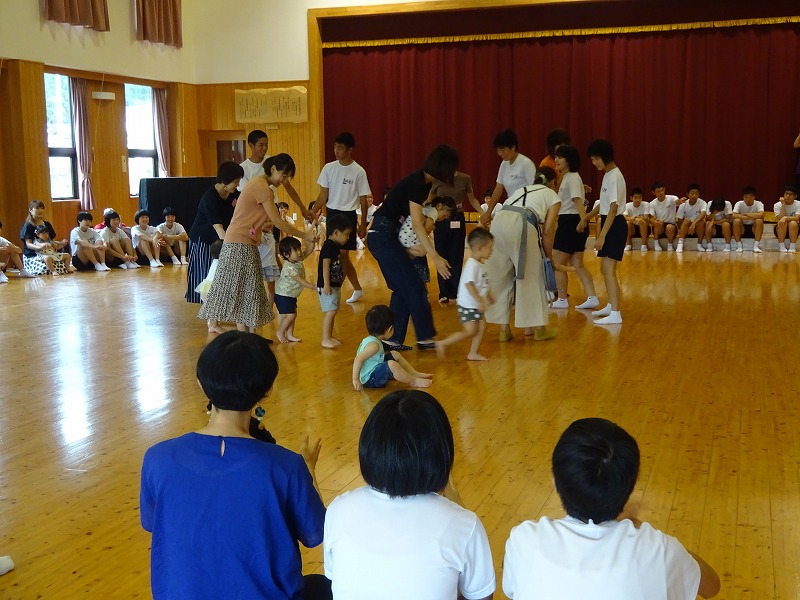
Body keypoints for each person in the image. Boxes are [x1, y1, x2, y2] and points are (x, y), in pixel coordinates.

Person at [140, 331, 329, 600]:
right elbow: (316, 534)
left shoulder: (157, 458)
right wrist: (308, 470)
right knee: (321, 586)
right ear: (267, 390)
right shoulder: (286, 466)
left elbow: (152, 522)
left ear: (201, 384)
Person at [502, 417, 721, 600]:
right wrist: (639, 527)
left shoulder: (523, 540)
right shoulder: (661, 550)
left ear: (555, 483)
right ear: (630, 488)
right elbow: (712, 587)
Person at [323, 390, 495, 600]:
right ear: (440, 452)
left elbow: (340, 580)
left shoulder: (338, 510)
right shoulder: (465, 525)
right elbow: (480, 596)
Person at [199, 154, 316, 335]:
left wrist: (301, 209)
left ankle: (248, 337)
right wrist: (304, 235)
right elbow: (278, 222)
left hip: (245, 243)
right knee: (242, 292)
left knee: (248, 292)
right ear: (273, 169)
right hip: (239, 244)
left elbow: (287, 190)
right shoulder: (261, 187)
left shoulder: (261, 184)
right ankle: (243, 336)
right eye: (283, 175)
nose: (284, 181)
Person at [366, 145, 458, 351]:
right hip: (383, 235)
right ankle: (424, 338)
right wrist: (435, 256)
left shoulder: (424, 183)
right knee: (414, 287)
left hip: (386, 235)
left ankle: (392, 340)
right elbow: (417, 225)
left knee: (403, 289)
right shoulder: (417, 183)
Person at [485, 168, 560, 341]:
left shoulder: (521, 189)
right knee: (530, 277)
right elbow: (548, 231)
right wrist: (549, 258)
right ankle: (538, 329)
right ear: (553, 182)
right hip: (522, 223)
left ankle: (504, 331)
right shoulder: (553, 195)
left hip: (498, 223)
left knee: (500, 277)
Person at [311, 132, 372, 304]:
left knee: (343, 255)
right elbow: (323, 194)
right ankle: (353, 288)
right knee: (333, 254)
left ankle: (336, 288)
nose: (336, 151)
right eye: (335, 147)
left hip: (348, 215)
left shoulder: (359, 171)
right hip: (332, 214)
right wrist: (313, 211)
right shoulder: (329, 168)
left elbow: (363, 199)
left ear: (350, 150)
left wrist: (363, 224)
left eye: (341, 148)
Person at [580, 139, 627, 325]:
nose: (594, 163)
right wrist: (586, 217)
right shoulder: (607, 175)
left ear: (606, 156)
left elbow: (613, 209)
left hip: (614, 225)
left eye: (596, 159)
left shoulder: (614, 176)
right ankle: (611, 305)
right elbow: (603, 205)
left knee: (608, 270)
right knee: (605, 269)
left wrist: (601, 235)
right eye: (592, 160)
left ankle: (615, 313)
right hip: (610, 222)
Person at [186, 161, 243, 303]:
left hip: (219, 239)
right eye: (235, 181)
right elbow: (218, 228)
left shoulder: (234, 194)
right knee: (206, 272)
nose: (237, 185)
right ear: (225, 180)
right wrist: (230, 247)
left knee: (219, 273)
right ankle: (207, 307)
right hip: (203, 239)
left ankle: (217, 305)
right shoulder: (210, 198)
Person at [436, 227, 495, 361]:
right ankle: (443, 343)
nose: (492, 251)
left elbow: (483, 283)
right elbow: (469, 285)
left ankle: (473, 353)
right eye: (490, 248)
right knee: (470, 331)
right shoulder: (472, 265)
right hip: (468, 305)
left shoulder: (480, 264)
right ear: (481, 248)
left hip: (475, 305)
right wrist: (480, 300)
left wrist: (488, 295)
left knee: (481, 327)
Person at [551, 144, 598, 310]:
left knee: (557, 262)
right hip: (573, 221)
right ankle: (592, 296)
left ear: (569, 160)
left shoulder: (572, 177)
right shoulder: (568, 178)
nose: (556, 160)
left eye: (560, 157)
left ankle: (562, 299)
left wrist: (583, 221)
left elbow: (578, 201)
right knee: (577, 263)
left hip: (570, 222)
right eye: (556, 157)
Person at [430, 171, 485, 303]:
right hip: (440, 218)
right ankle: (443, 292)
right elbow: (430, 199)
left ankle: (454, 292)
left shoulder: (465, 178)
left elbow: (472, 199)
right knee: (441, 254)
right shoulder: (437, 178)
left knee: (456, 255)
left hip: (457, 217)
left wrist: (483, 213)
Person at [352, 305, 433, 390]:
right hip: (370, 379)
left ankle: (413, 373)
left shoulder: (372, 339)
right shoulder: (373, 346)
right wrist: (356, 379)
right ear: (390, 329)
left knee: (394, 354)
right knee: (391, 364)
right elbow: (358, 359)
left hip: (375, 367)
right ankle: (413, 381)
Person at [481, 129, 536, 227]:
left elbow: (535, 189)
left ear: (513, 147)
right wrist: (489, 212)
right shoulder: (504, 164)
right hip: (511, 208)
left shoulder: (526, 163)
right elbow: (498, 188)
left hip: (525, 209)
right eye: (498, 150)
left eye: (503, 150)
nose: (500, 153)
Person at [317, 214, 352, 349]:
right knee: (330, 312)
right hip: (328, 286)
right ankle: (325, 338)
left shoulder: (334, 246)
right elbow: (325, 265)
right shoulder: (329, 246)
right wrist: (326, 284)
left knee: (333, 311)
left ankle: (329, 336)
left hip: (333, 285)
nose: (348, 237)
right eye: (346, 234)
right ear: (336, 232)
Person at [274, 237, 316, 343]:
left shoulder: (297, 260)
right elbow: (300, 281)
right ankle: (280, 332)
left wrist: (312, 241)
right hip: (283, 295)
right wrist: (313, 287)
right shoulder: (289, 268)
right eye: (296, 250)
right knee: (290, 315)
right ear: (286, 254)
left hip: (290, 295)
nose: (299, 252)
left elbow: (308, 251)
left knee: (293, 314)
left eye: (299, 248)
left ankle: (289, 335)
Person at [20, 200, 71, 276]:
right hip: (33, 255)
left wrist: (61, 243)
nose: (40, 210)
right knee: (45, 268)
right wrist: (40, 247)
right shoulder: (28, 225)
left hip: (48, 253)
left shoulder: (47, 224)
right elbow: (29, 244)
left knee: (62, 262)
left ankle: (66, 269)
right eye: (37, 208)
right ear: (30, 210)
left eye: (42, 208)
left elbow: (51, 242)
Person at [731, 186, 765, 253]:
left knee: (759, 220)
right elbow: (734, 215)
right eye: (746, 197)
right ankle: (739, 246)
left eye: (751, 197)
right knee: (736, 221)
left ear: (754, 197)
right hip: (742, 229)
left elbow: (761, 215)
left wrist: (746, 214)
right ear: (743, 197)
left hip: (753, 229)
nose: (748, 199)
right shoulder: (739, 203)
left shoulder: (759, 203)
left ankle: (756, 246)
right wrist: (751, 216)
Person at [676, 183, 707, 253]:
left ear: (699, 194)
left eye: (696, 193)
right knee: (687, 220)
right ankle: (680, 243)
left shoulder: (702, 203)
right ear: (687, 194)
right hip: (686, 228)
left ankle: (699, 244)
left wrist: (693, 224)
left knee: (701, 222)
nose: (694, 195)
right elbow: (679, 221)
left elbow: (703, 214)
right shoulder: (683, 205)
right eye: (692, 193)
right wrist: (682, 230)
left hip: (698, 228)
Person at [648, 182, 678, 252]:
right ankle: (656, 243)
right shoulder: (652, 203)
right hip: (660, 226)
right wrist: (655, 222)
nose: (661, 193)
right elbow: (651, 217)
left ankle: (670, 245)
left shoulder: (672, 198)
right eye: (658, 191)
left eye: (662, 190)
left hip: (671, 225)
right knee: (658, 223)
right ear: (653, 193)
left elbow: (677, 202)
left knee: (669, 227)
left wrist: (680, 201)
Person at [195, 239, 222, 306]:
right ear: (220, 255)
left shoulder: (214, 261)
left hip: (206, 288)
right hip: (213, 289)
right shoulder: (221, 263)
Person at [259, 220, 280, 306]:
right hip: (260, 266)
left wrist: (280, 267)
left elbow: (275, 253)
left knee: (272, 290)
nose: (269, 224)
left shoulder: (272, 234)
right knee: (259, 290)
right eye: (265, 222)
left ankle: (269, 309)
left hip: (271, 265)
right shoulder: (259, 234)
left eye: (270, 221)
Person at [622, 188, 650, 252]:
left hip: (644, 228)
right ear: (631, 198)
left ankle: (644, 245)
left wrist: (635, 217)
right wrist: (633, 218)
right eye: (636, 197)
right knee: (627, 223)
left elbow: (646, 217)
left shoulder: (646, 204)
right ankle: (628, 244)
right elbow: (624, 217)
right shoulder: (628, 205)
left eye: (640, 197)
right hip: (633, 229)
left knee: (642, 221)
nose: (638, 200)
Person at [774, 185, 800, 253]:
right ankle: (781, 246)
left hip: (794, 228)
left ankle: (792, 247)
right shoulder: (777, 205)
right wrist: (783, 205)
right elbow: (780, 218)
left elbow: (796, 218)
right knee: (782, 222)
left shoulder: (798, 204)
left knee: (793, 223)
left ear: (795, 196)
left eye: (790, 194)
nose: (788, 196)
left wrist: (786, 218)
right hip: (780, 229)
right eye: (786, 194)